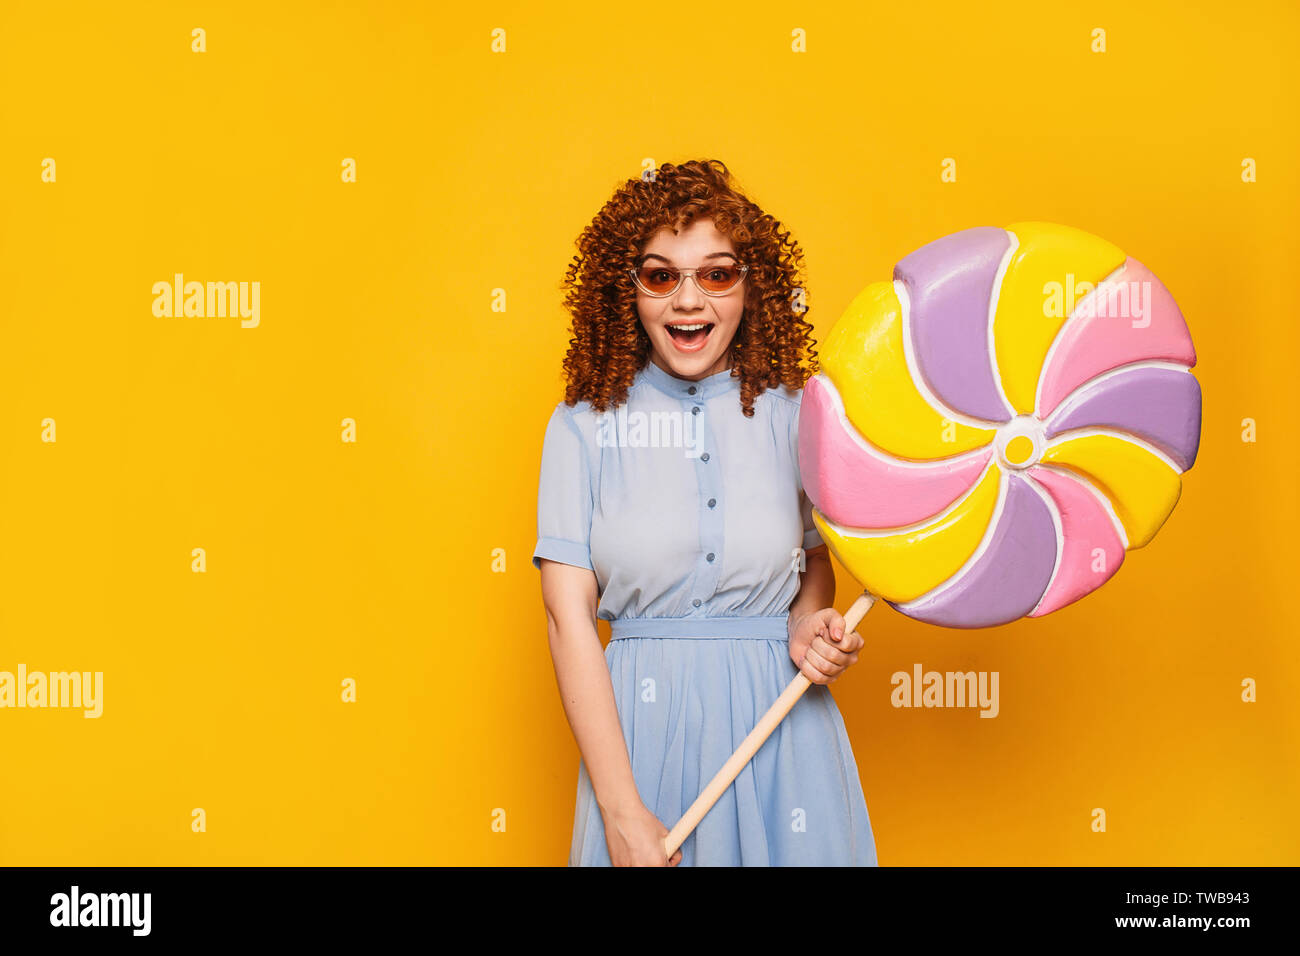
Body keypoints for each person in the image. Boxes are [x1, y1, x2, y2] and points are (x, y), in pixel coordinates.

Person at [532, 159, 877, 866]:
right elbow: (568, 618)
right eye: (661, 276)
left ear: (753, 288)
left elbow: (813, 562)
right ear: (625, 291)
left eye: (717, 274)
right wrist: (621, 811)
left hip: (785, 734)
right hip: (639, 744)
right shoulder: (581, 425)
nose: (689, 300)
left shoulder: (798, 416)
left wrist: (811, 623)